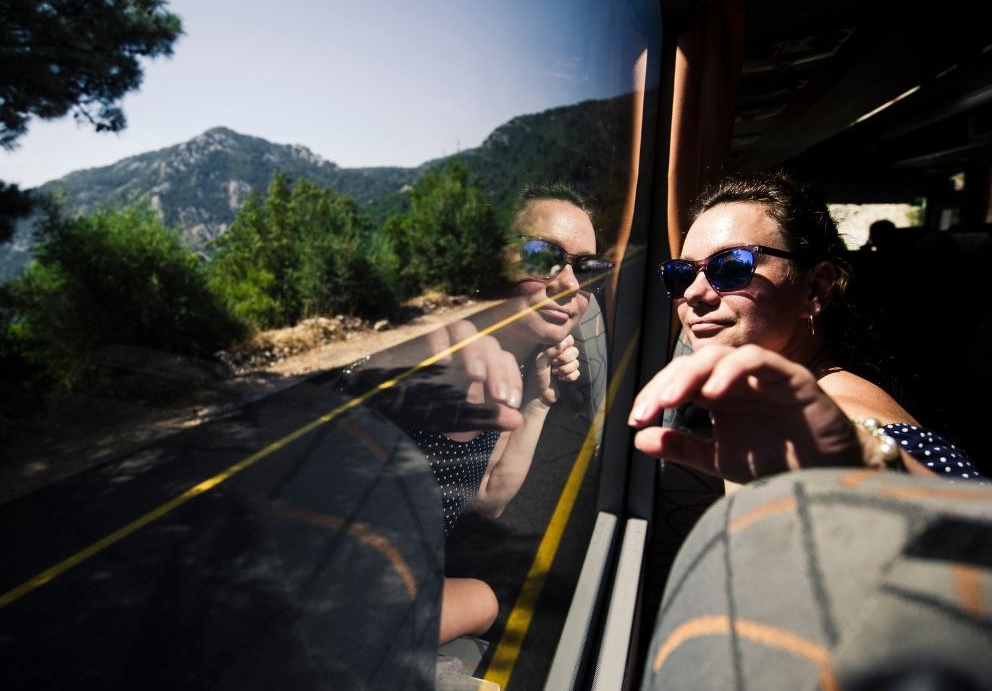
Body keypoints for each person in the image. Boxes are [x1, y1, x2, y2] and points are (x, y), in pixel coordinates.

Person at [628, 171, 983, 485]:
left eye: (732, 267)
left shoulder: (847, 424)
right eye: (681, 274)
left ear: (815, 288)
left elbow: (966, 516)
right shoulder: (760, 412)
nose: (693, 293)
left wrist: (872, 462)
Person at [405, 183, 613, 644]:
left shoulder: (516, 366)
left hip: (404, 577)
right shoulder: (435, 355)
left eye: (587, 268)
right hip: (351, 594)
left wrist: (538, 400)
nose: (570, 285)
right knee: (488, 601)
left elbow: (488, 498)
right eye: (541, 257)